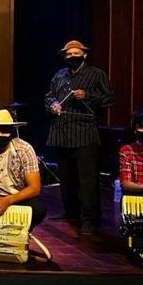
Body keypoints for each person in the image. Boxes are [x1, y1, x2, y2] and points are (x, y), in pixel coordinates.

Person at [44, 39, 115, 234]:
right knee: (66, 177)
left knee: (87, 180)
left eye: (76, 54)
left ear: (84, 55)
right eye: (68, 55)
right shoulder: (60, 75)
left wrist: (87, 96)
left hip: (84, 133)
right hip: (61, 132)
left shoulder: (96, 74)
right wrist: (52, 104)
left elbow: (109, 98)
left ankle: (90, 219)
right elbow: (49, 95)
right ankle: (71, 212)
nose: (72, 57)